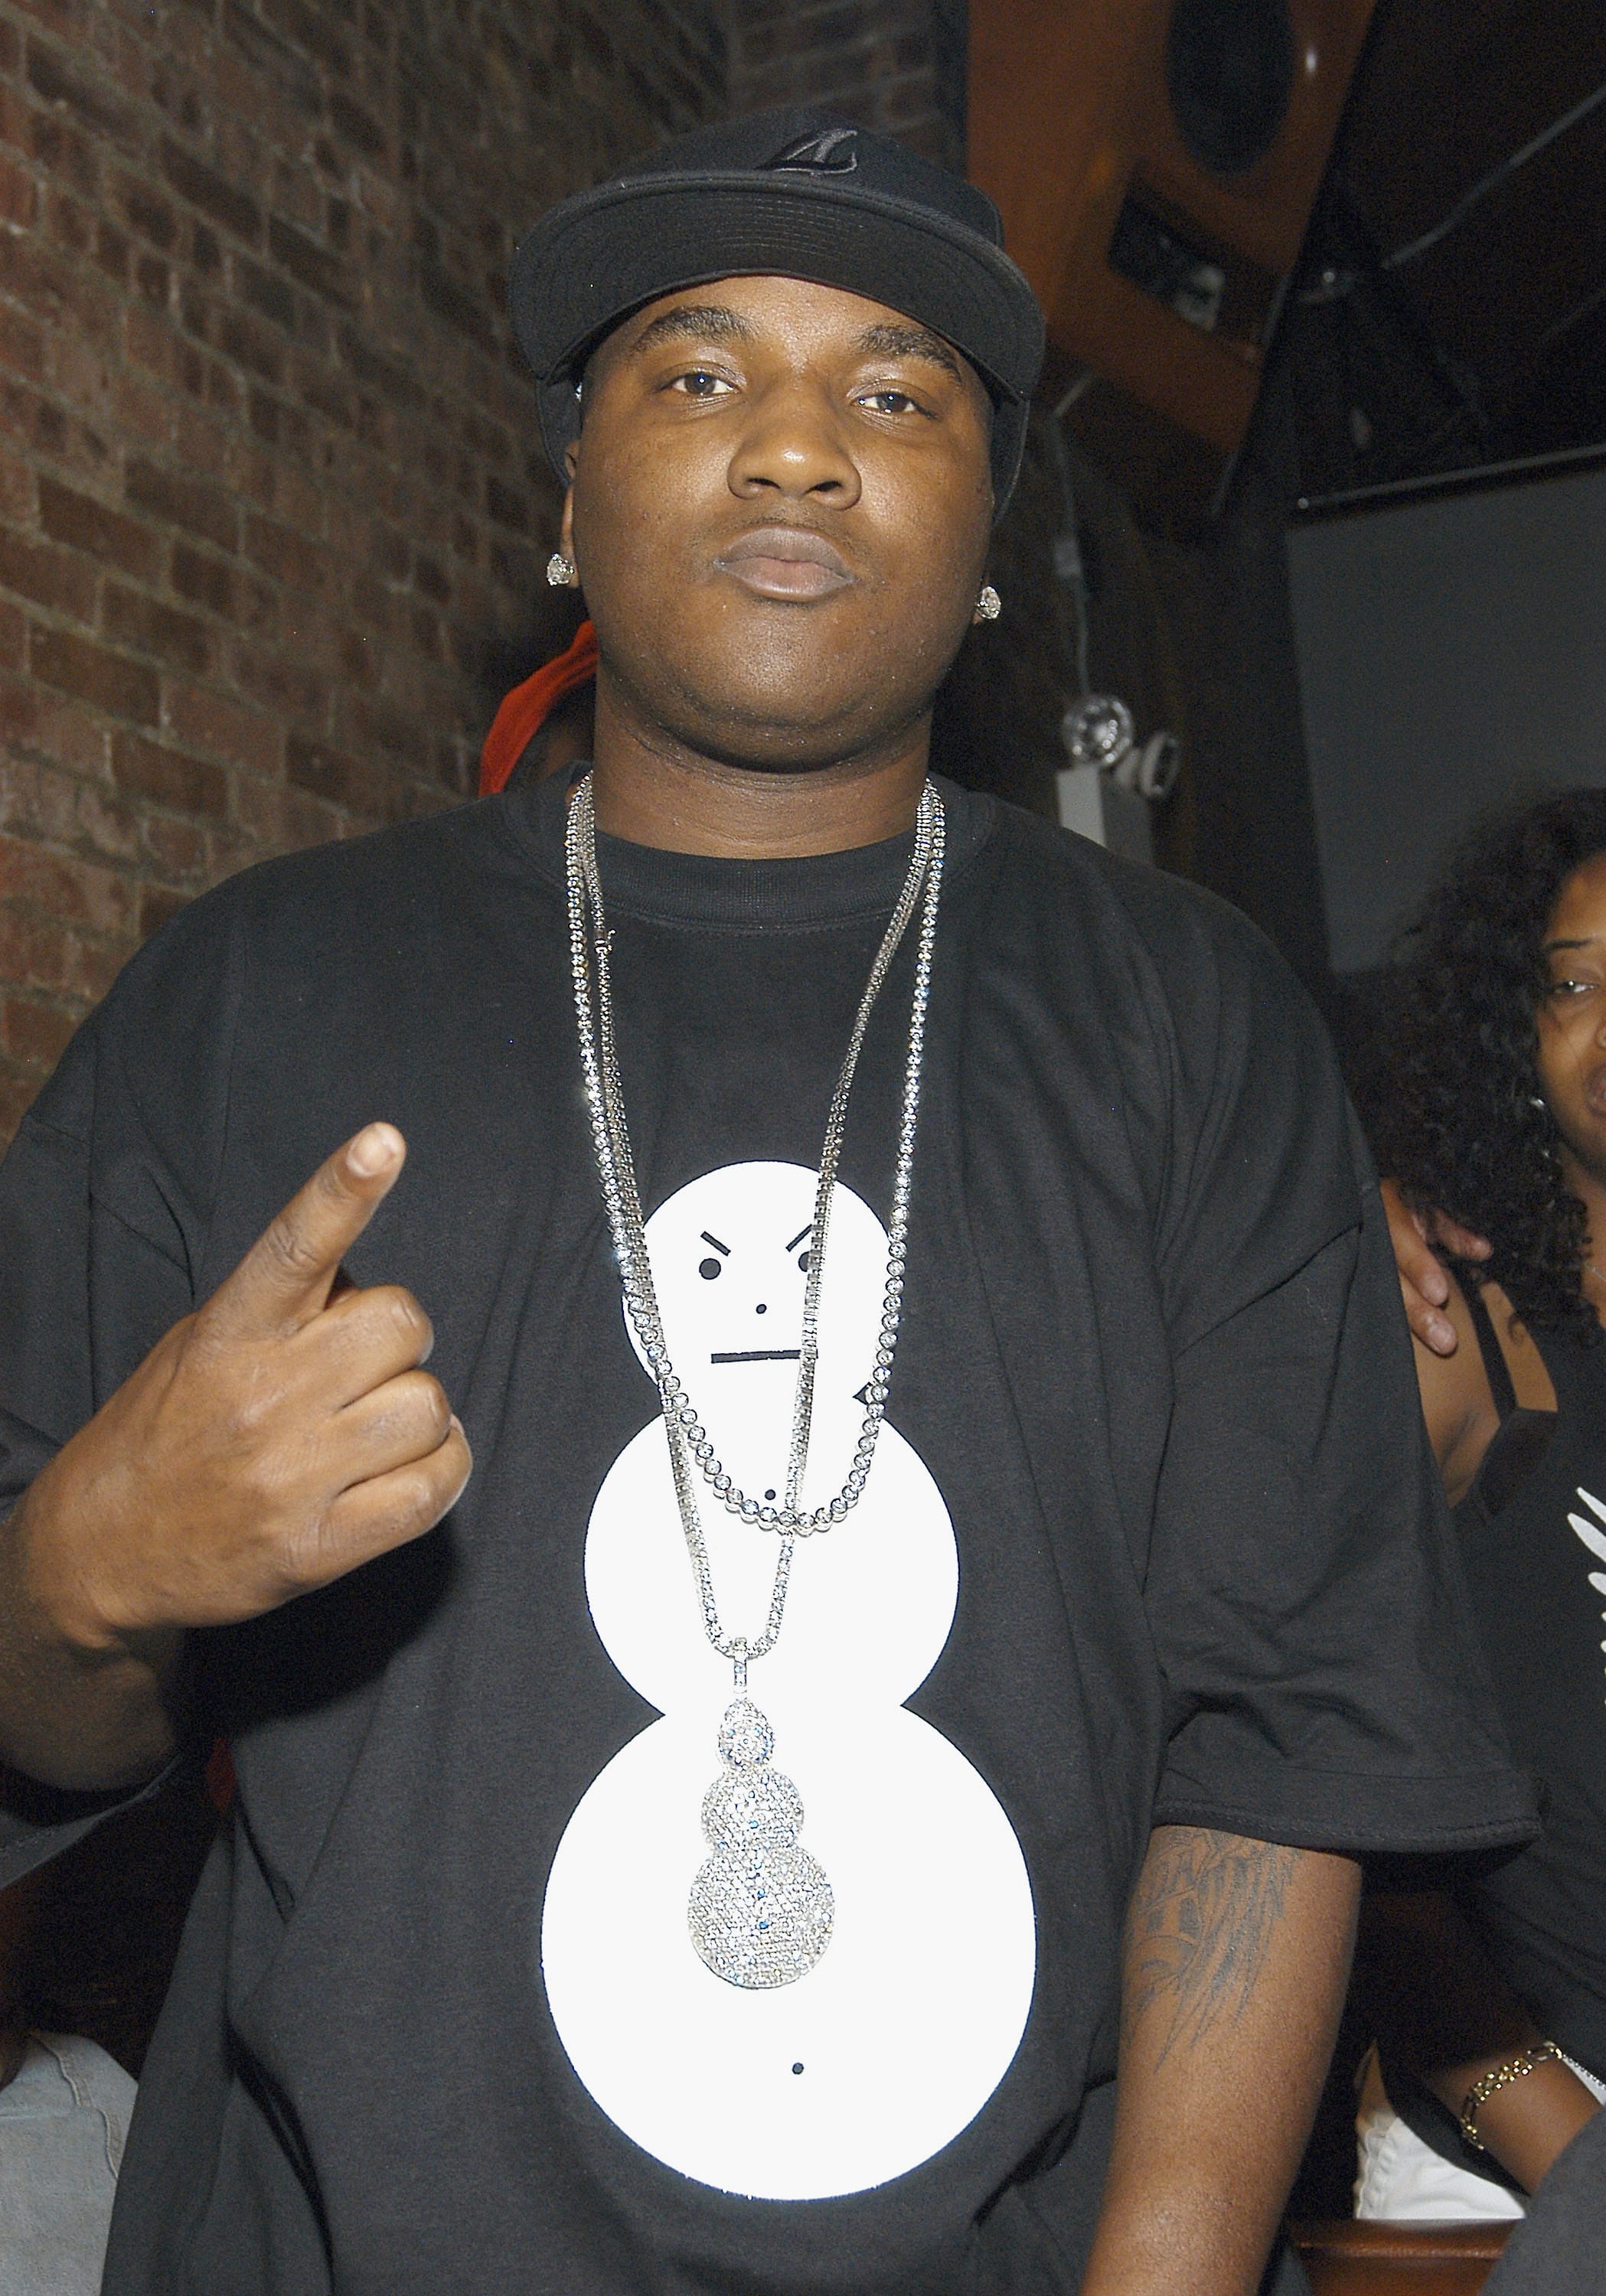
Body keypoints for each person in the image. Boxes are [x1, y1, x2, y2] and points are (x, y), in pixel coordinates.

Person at [0, 108, 1533, 2296]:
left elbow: (1282, 1752)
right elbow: (36, 1714)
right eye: (701, 373)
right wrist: (85, 1580)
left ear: (985, 543)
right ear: (563, 507)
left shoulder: (1189, 1017)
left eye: (896, 397)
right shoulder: (258, 989)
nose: (797, 447)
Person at [1354, 791, 1606, 2223]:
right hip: (1520, 2157)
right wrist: (1553, 2134)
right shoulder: (1451, 1330)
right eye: (1570, 985)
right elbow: (1320, 1767)